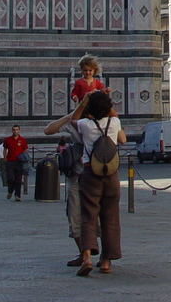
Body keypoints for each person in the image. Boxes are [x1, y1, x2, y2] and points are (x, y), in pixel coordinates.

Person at [72, 90, 125, 276]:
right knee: (110, 218)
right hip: (111, 175)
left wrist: (83, 102)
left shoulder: (86, 125)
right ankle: (106, 262)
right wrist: (107, 103)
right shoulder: (115, 122)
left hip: (90, 174)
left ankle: (86, 257)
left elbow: (73, 120)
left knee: (88, 216)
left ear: (90, 109)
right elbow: (117, 123)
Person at [44, 109, 100, 267]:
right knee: (74, 214)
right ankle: (84, 253)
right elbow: (49, 130)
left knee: (100, 216)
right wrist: (69, 116)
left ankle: (104, 256)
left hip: (97, 176)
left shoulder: (101, 122)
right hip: (77, 177)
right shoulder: (73, 123)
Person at [1, 125, 28, 201]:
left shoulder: (22, 140)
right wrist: (5, 158)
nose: (15, 131)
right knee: (10, 178)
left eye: (16, 130)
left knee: (18, 180)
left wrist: (24, 159)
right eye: (14, 130)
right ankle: (10, 191)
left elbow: (25, 150)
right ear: (12, 131)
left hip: (19, 162)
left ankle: (17, 195)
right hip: (10, 161)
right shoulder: (7, 140)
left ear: (19, 130)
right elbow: (5, 149)